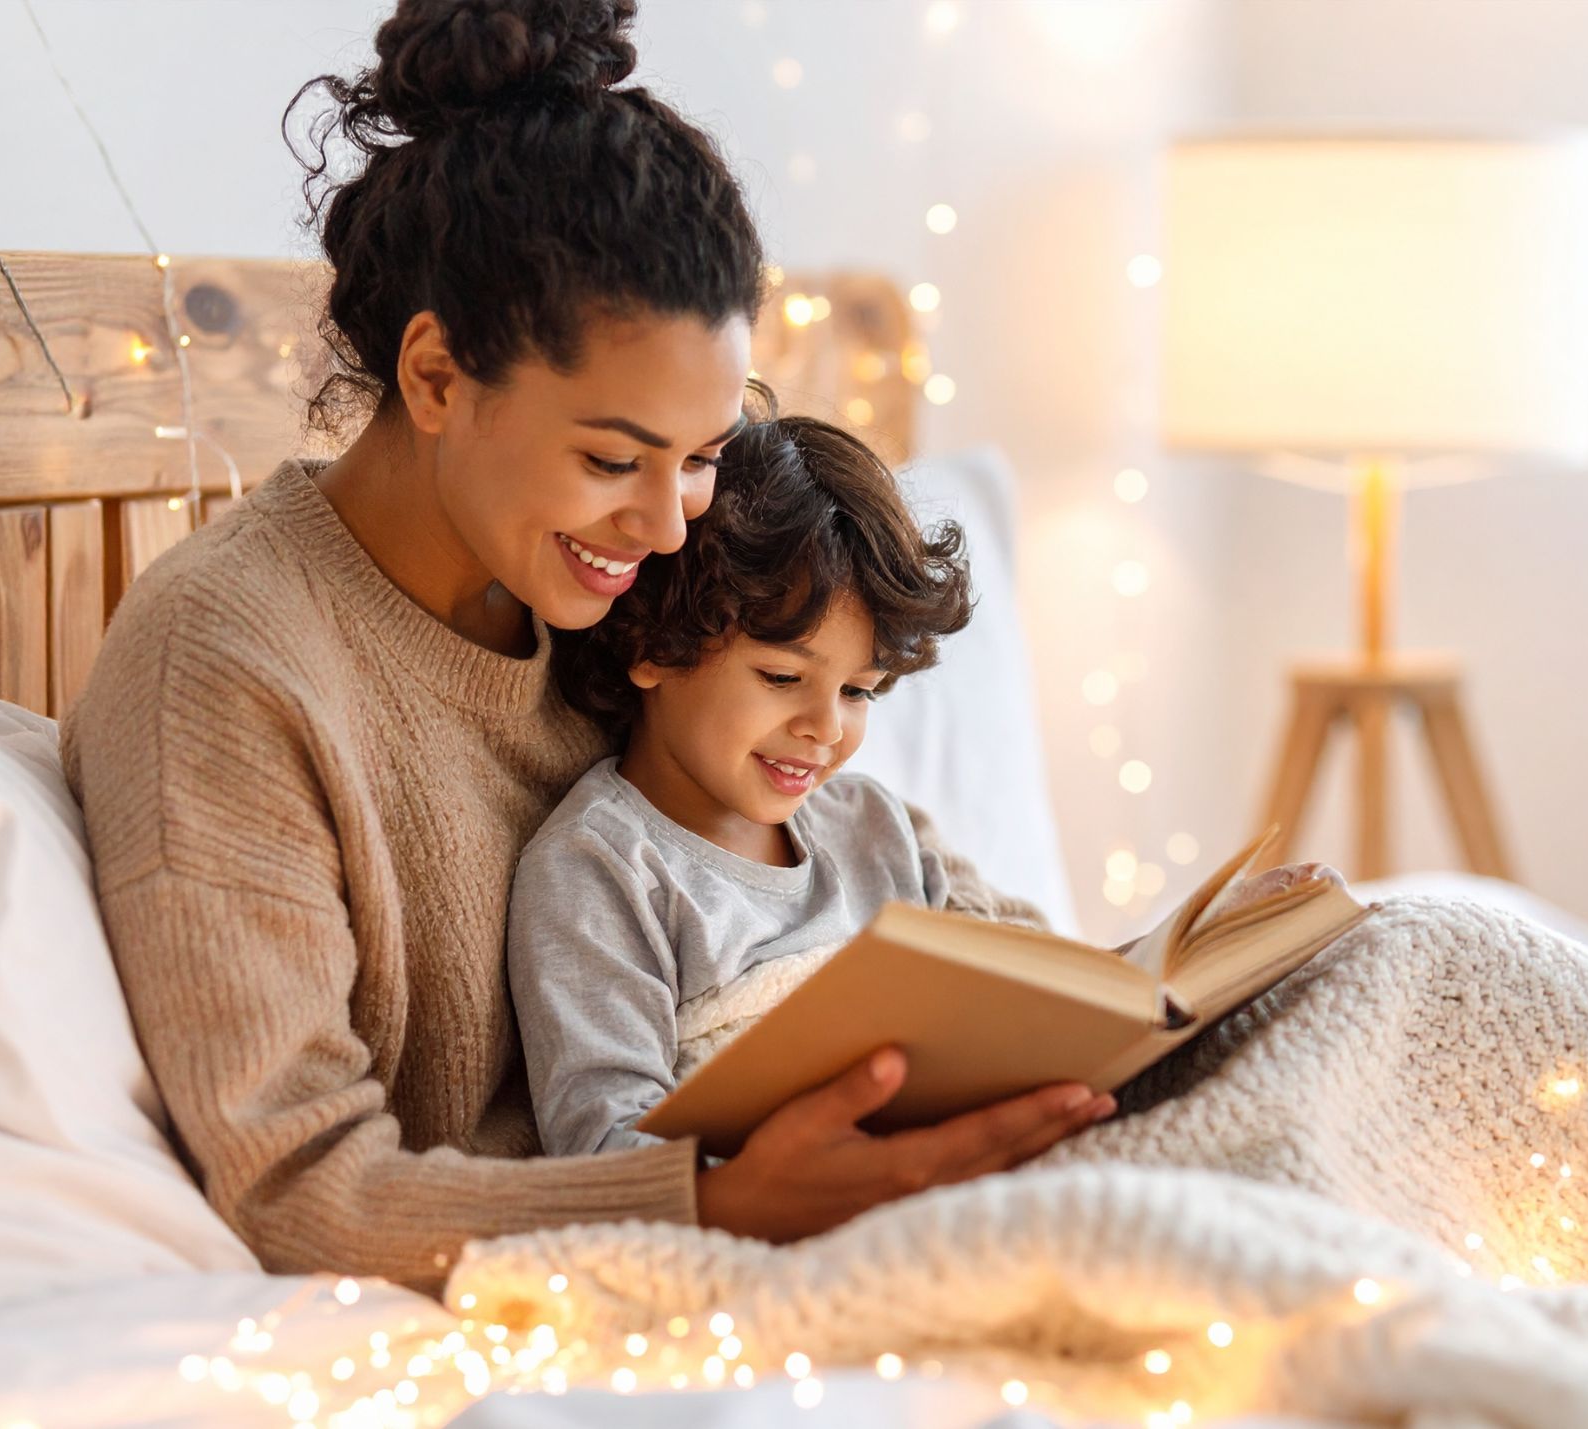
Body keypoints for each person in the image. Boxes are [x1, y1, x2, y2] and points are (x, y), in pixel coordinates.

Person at [61, 0, 1108, 1298]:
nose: (670, 522)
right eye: (614, 458)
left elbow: (861, 838)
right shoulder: (226, 665)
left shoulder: (649, 582)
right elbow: (303, 1191)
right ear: (437, 377)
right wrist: (714, 1204)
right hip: (620, 1263)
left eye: (704, 458)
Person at [508, 412, 1118, 1157]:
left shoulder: (874, 825)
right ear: (653, 646)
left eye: (859, 691)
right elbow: (603, 1147)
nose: (826, 728)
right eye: (783, 677)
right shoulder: (602, 869)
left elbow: (1043, 976)